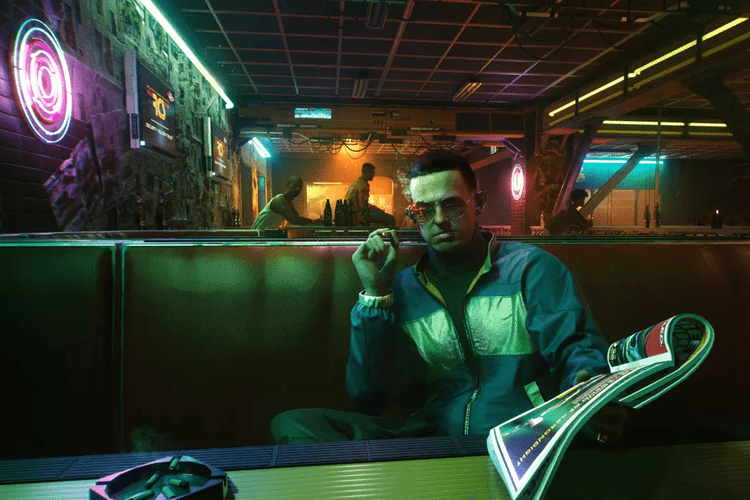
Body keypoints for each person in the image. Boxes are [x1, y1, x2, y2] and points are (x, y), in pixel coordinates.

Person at [270, 150, 626, 445]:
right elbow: (371, 398)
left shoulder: (531, 269)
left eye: (452, 205)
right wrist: (376, 297)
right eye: (424, 210)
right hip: (435, 434)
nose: (439, 219)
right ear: (414, 216)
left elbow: (575, 347)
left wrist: (586, 384)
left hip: (524, 432)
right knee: (294, 424)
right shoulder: (404, 288)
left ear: (478, 204)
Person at [251, 176, 316, 229]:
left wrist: (312, 222)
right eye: (295, 185)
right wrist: (314, 222)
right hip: (256, 237)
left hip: (263, 237)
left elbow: (297, 218)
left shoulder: (288, 203)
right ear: (288, 185)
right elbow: (294, 220)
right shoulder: (278, 200)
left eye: (300, 187)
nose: (297, 189)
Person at [345, 162, 396, 227]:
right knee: (390, 219)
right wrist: (377, 210)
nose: (374, 175)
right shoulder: (362, 186)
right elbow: (363, 206)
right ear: (368, 172)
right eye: (372, 173)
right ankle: (390, 233)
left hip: (354, 215)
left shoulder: (358, 183)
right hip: (358, 215)